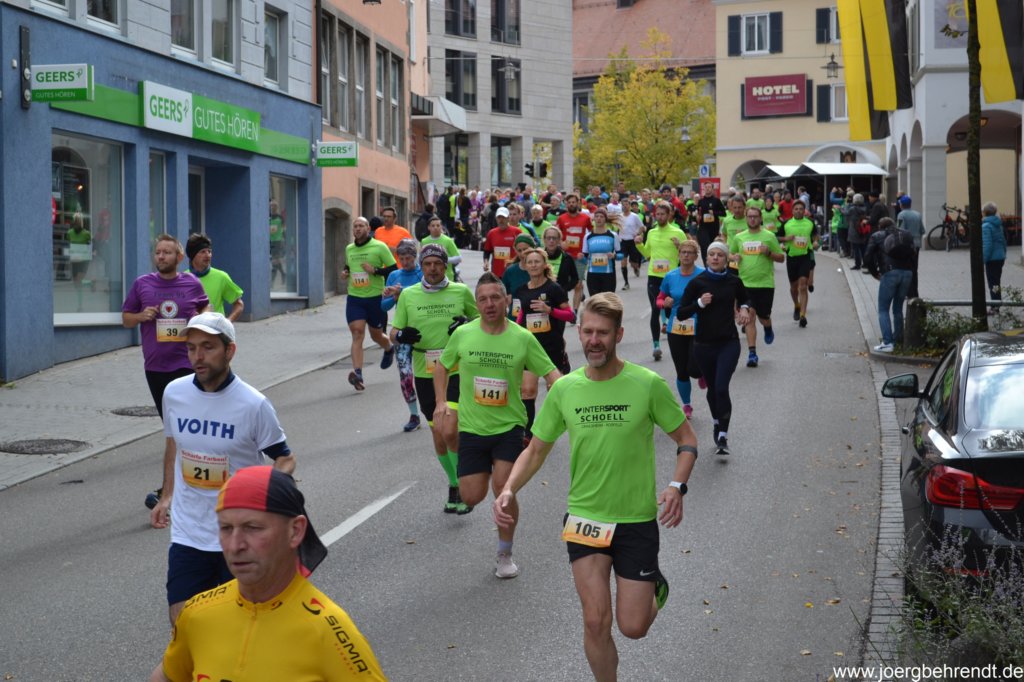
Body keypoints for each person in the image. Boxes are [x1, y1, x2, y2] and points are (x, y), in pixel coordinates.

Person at [493, 293, 699, 681]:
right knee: (594, 620)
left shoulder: (646, 384)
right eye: (587, 331)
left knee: (633, 627)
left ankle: (655, 587)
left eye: (602, 333)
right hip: (586, 518)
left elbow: (687, 439)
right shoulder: (565, 390)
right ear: (579, 333)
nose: (594, 340)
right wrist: (508, 489)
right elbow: (535, 450)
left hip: (635, 520)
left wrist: (676, 486)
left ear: (618, 334)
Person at [149, 466, 385, 682]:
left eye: (253, 528)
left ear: (295, 531)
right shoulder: (197, 613)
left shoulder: (328, 631)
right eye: (226, 528)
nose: (235, 545)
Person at [150, 312, 295, 627]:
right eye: (191, 348)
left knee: (241, 626)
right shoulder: (174, 393)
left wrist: (268, 495)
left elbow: (284, 458)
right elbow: (174, 445)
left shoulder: (253, 404)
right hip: (189, 532)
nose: (197, 357)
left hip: (238, 535)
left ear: (230, 350)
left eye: (208, 347)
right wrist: (166, 495)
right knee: (184, 623)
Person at [434, 273, 560, 578]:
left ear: (506, 300)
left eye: (495, 298)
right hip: (472, 428)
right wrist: (440, 402)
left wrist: (566, 398)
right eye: (483, 299)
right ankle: (483, 468)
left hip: (509, 427)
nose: (489, 304)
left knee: (504, 491)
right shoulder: (463, 334)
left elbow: (551, 373)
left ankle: (505, 553)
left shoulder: (522, 337)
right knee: (471, 496)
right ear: (476, 304)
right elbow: (442, 366)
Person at [122, 234, 210, 510]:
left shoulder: (191, 283)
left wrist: (201, 320)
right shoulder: (142, 284)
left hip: (188, 365)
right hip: (156, 368)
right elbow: (126, 319)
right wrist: (140, 316)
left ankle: (169, 492)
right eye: (158, 252)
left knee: (180, 429)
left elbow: (205, 308)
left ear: (179, 257)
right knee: (177, 429)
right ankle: (192, 483)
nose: (161, 257)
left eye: (167, 253)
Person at [392, 244, 479, 513]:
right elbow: (394, 332)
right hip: (424, 370)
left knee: (450, 428)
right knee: (438, 432)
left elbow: (480, 321)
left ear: (445, 266)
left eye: (437, 264)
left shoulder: (460, 291)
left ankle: (463, 485)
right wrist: (401, 335)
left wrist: (466, 324)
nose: (432, 269)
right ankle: (453, 483)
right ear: (422, 267)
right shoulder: (408, 295)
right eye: (427, 264)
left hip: (456, 368)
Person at [677, 241, 752, 454]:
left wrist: (744, 308)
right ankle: (717, 422)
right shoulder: (697, 283)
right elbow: (681, 313)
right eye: (712, 254)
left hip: (728, 342)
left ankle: (723, 436)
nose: (716, 258)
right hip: (703, 345)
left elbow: (746, 297)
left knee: (721, 387)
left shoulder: (734, 281)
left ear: (726, 259)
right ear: (707, 258)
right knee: (712, 389)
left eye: (720, 254)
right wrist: (699, 304)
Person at [342, 217, 397, 391]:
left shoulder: (379, 247)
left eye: (361, 226)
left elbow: (393, 269)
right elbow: (348, 266)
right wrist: (345, 272)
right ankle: (358, 374)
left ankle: (389, 348)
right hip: (355, 298)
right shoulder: (349, 248)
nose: (357, 229)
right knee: (357, 333)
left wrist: (375, 270)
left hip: (375, 298)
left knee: (376, 335)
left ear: (368, 228)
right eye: (355, 226)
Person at [728, 207, 783, 368]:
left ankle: (768, 327)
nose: (752, 219)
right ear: (746, 218)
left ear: (760, 218)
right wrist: (734, 257)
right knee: (750, 317)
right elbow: (730, 254)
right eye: (750, 216)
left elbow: (781, 258)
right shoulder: (739, 237)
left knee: (763, 317)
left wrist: (769, 253)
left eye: (755, 217)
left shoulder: (769, 236)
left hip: (765, 284)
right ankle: (752, 353)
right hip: (745, 284)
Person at [657, 239, 705, 418]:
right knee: (681, 370)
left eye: (689, 252)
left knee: (694, 368)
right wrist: (664, 303)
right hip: (675, 327)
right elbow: (659, 299)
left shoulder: (703, 275)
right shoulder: (670, 276)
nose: (686, 255)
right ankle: (686, 405)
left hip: (698, 326)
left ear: (696, 256)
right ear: (678, 255)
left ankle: (702, 373)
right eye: (683, 252)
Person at [382, 240, 425, 432]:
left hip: (424, 330)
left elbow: (427, 292)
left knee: (431, 374)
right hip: (402, 332)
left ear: (415, 257)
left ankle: (436, 407)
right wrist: (393, 297)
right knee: (405, 375)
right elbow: (383, 306)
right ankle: (414, 415)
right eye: (402, 259)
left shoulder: (422, 273)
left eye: (408, 258)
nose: (405, 262)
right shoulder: (394, 275)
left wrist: (403, 292)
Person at [636, 201, 687, 361]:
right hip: (654, 276)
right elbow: (647, 254)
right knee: (655, 308)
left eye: (663, 214)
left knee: (671, 308)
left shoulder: (678, 232)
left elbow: (688, 254)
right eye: (657, 214)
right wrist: (639, 245)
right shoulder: (651, 232)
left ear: (669, 215)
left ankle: (675, 340)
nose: (660, 217)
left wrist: (679, 246)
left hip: (671, 277)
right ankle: (656, 345)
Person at [515, 248, 575, 375]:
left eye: (537, 262)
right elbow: (522, 313)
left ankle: (563, 359)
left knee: (555, 385)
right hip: (530, 345)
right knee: (528, 386)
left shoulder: (554, 288)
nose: (533, 265)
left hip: (551, 344)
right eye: (530, 262)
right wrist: (515, 330)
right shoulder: (521, 290)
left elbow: (570, 316)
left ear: (544, 265)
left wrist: (549, 310)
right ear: (525, 266)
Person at [864, 217, 916, 352]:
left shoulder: (877, 236)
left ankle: (888, 343)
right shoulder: (904, 235)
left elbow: (868, 257)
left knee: (883, 309)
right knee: (898, 308)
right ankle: (898, 340)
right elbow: (913, 255)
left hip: (889, 273)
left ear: (880, 227)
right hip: (907, 273)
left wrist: (875, 273)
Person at [777, 200, 818, 328]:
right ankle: (796, 305)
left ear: (804, 211)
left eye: (801, 209)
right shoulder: (786, 224)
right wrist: (785, 239)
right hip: (792, 258)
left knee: (803, 286)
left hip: (805, 257)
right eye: (796, 209)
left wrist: (816, 242)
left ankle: (803, 316)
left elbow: (815, 235)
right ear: (792, 211)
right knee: (794, 288)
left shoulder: (810, 222)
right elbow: (777, 237)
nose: (799, 211)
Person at [185, 234, 244, 321]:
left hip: (215, 328)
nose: (207, 255)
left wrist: (228, 322)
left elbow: (238, 304)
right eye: (202, 252)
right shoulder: (183, 278)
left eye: (209, 251)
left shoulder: (221, 277)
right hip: (190, 328)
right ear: (192, 255)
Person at [555, 194, 593, 313]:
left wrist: (587, 250)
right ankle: (566, 305)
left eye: (573, 202)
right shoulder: (561, 219)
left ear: (578, 203)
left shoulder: (585, 218)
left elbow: (592, 233)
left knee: (578, 284)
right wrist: (560, 243)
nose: (571, 204)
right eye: (569, 202)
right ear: (566, 204)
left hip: (579, 256)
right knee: (564, 284)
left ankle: (575, 311)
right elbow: (556, 234)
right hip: (565, 256)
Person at [582, 207, 622, 296]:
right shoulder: (588, 236)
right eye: (597, 216)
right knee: (595, 301)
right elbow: (585, 258)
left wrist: (614, 256)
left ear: (605, 219)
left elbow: (621, 255)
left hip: (608, 274)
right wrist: (581, 258)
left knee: (607, 300)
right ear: (594, 219)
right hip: (592, 274)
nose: (599, 218)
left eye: (601, 216)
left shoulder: (613, 235)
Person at [542, 225, 581, 302]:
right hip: (542, 297)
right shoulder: (539, 257)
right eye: (548, 238)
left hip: (561, 298)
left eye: (554, 238)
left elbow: (575, 279)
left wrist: (564, 289)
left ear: (559, 240)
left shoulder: (567, 258)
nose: (551, 241)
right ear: (544, 240)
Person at [895, 195, 924, 298]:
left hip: (906, 246)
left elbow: (900, 230)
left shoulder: (901, 215)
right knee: (914, 269)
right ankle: (915, 292)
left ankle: (909, 293)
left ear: (901, 205)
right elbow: (922, 230)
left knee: (906, 269)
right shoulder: (918, 214)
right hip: (917, 245)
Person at [982, 202, 1008, 312]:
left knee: (992, 283)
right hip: (1000, 257)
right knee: (996, 282)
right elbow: (1003, 241)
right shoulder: (998, 224)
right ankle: (997, 303)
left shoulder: (986, 226)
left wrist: (983, 259)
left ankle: (995, 306)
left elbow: (987, 245)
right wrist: (1004, 254)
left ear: (984, 213)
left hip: (992, 259)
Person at [420, 215, 463, 281]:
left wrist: (444, 259)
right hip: (430, 277)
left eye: (438, 225)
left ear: (441, 227)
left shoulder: (448, 240)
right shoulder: (424, 241)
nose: (435, 228)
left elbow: (459, 258)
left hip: (447, 276)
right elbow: (421, 259)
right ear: (429, 227)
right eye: (433, 226)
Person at [482, 207, 521, 279]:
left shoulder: (517, 232)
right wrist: (486, 262)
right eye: (499, 217)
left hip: (513, 271)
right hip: (496, 272)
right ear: (496, 219)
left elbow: (522, 250)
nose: (501, 220)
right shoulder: (491, 233)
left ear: (508, 218)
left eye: (503, 217)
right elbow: (487, 250)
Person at [696, 184, 727, 264]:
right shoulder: (701, 201)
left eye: (709, 187)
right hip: (703, 227)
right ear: (704, 189)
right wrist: (697, 217)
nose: (707, 189)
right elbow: (698, 213)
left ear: (712, 189)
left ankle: (712, 264)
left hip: (713, 228)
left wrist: (714, 213)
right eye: (706, 187)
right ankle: (706, 265)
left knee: (712, 247)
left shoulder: (716, 200)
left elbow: (724, 213)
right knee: (704, 246)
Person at [618, 199, 644, 289]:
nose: (625, 206)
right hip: (623, 242)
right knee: (623, 262)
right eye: (623, 205)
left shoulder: (634, 216)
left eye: (626, 204)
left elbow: (642, 227)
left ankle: (636, 268)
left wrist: (637, 234)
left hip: (632, 241)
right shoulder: (619, 217)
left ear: (630, 206)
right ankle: (626, 283)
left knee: (633, 263)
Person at [845, 193, 869, 270]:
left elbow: (846, 213)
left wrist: (844, 207)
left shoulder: (852, 209)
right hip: (862, 230)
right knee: (863, 248)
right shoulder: (865, 208)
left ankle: (857, 264)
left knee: (856, 249)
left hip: (854, 230)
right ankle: (865, 263)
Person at [269, 200, 287, 286]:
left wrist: (285, 239)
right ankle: (283, 274)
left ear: (276, 207)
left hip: (278, 241)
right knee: (275, 260)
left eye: (273, 206)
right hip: (270, 241)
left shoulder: (280, 218)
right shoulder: (268, 218)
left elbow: (284, 229)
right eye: (271, 206)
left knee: (274, 260)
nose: (272, 207)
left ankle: (272, 281)